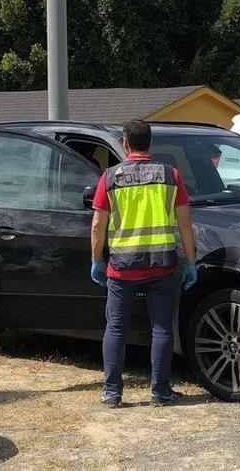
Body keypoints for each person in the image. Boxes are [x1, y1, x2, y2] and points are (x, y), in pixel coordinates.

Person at [90, 120, 198, 409]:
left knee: (115, 328)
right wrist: (190, 261)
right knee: (162, 328)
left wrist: (96, 260)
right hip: (162, 264)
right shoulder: (170, 175)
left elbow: (98, 224)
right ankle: (160, 392)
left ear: (126, 143)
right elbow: (185, 224)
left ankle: (113, 393)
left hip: (122, 266)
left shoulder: (110, 177)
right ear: (150, 143)